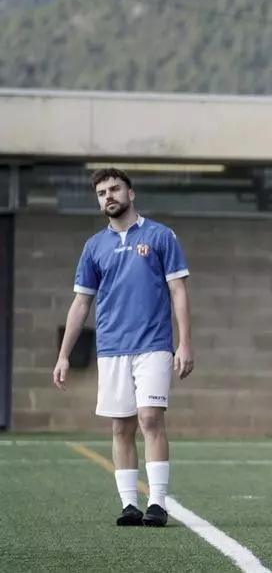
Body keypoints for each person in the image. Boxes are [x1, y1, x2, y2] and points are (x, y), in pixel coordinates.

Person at [52, 167, 194, 527]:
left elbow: (178, 291)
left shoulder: (160, 236)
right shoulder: (94, 247)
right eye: (102, 193)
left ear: (131, 193)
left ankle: (157, 502)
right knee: (120, 427)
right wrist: (64, 355)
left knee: (150, 418)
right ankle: (130, 504)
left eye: (114, 189)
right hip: (112, 348)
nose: (108, 196)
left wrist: (184, 343)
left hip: (154, 345)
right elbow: (81, 303)